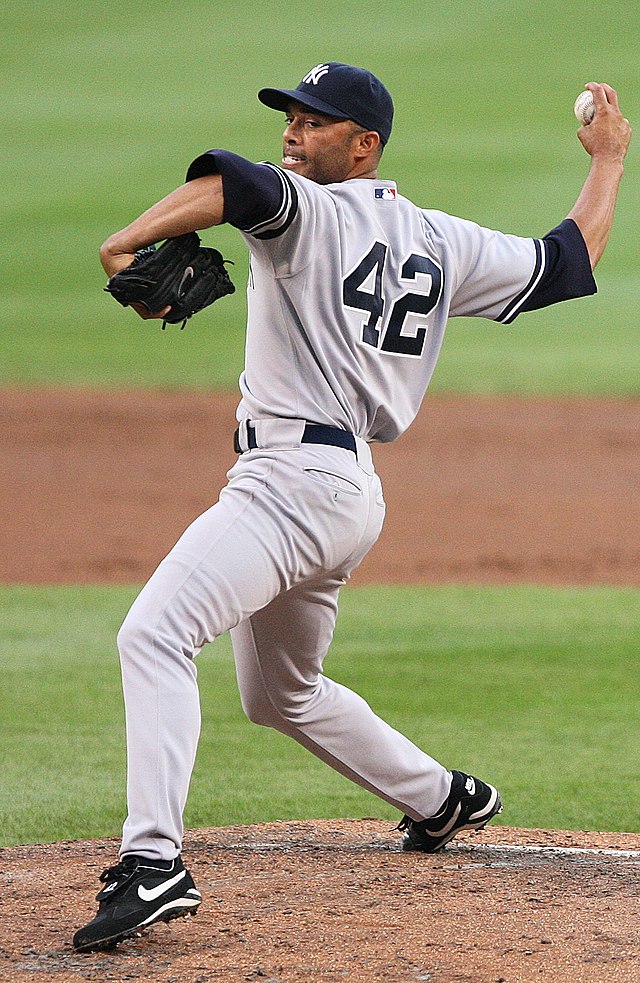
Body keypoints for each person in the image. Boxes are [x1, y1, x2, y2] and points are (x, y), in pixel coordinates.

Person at [73, 63, 631, 952]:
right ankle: (442, 797)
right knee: (281, 691)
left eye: (317, 121)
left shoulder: (309, 210)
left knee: (153, 634)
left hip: (289, 487)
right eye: (292, 115)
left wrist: (122, 241)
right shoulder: (441, 240)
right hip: (349, 494)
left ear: (364, 147)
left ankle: (152, 862)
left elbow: (229, 185)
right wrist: (607, 161)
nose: (293, 132)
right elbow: (564, 264)